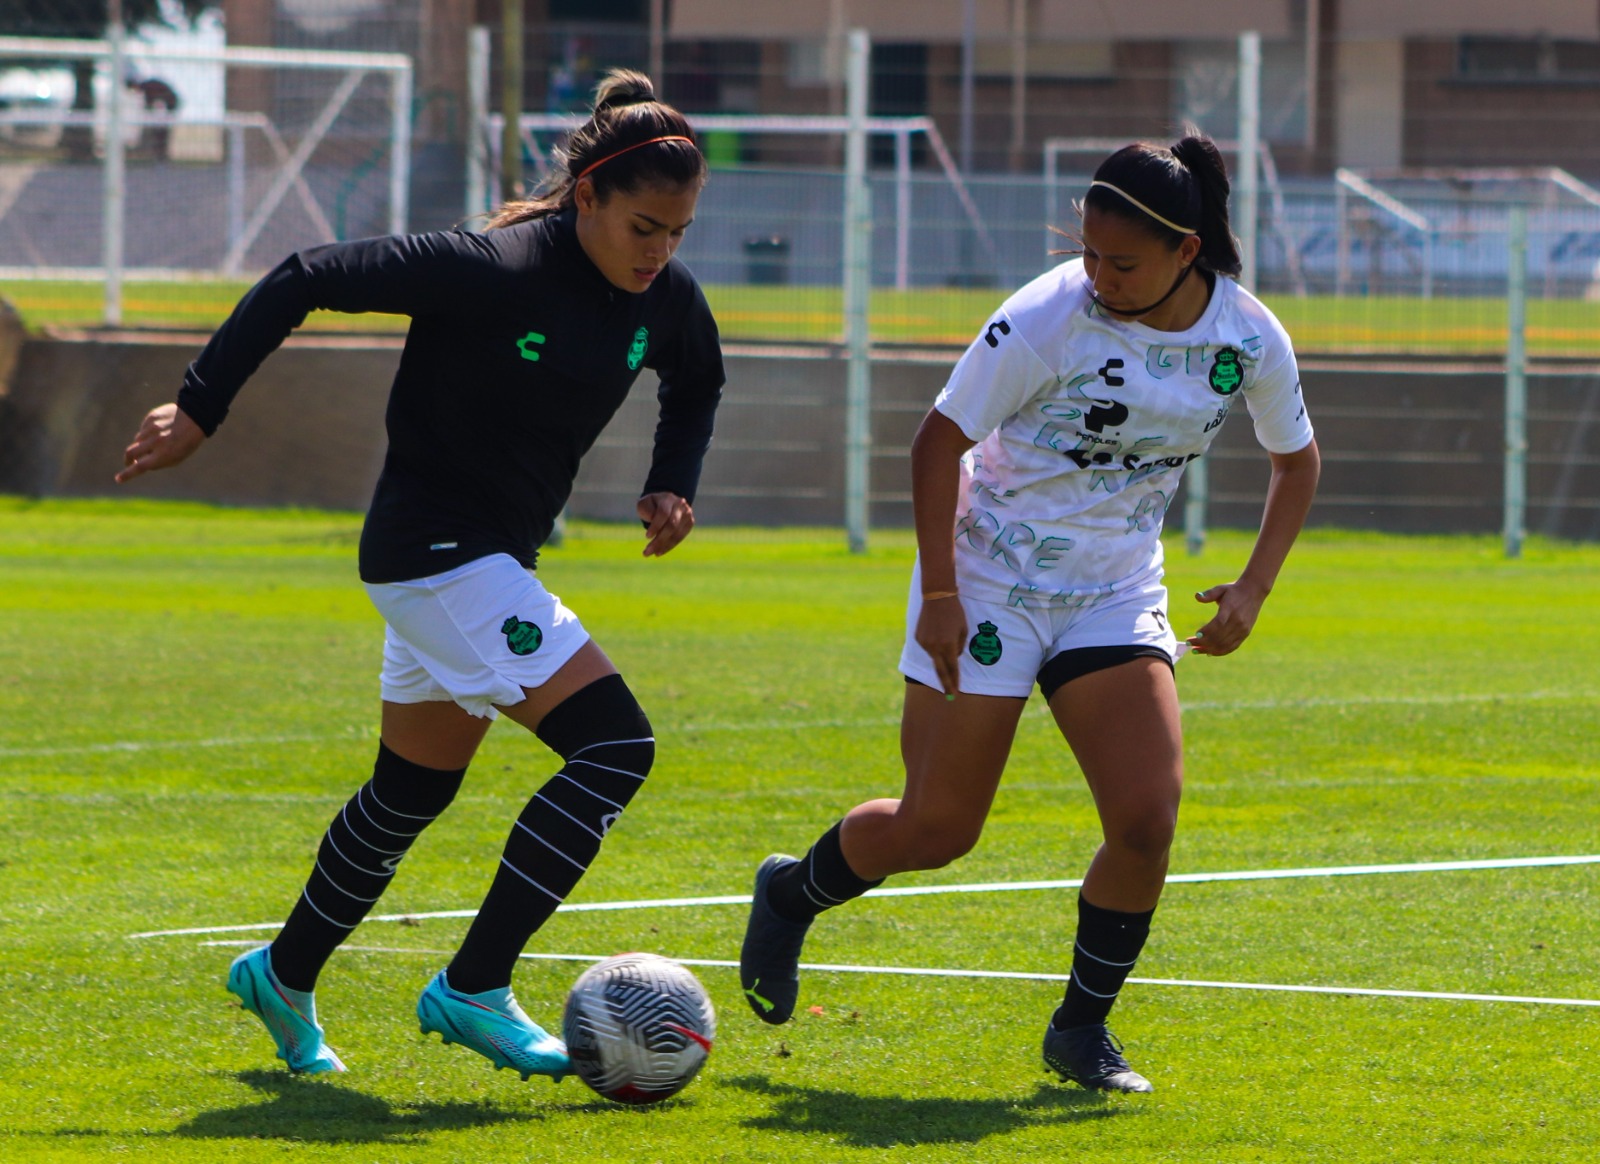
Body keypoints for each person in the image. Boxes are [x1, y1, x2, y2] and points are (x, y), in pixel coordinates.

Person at [115, 70, 724, 1081]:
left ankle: (284, 971)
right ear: (587, 198)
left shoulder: (665, 297)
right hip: (437, 553)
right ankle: (475, 986)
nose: (658, 252)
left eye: (677, 233)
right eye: (643, 227)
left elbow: (697, 376)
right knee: (614, 748)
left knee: (409, 791)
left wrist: (671, 482)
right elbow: (305, 272)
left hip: (474, 566)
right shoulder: (488, 267)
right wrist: (199, 407)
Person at [738, 132, 1320, 1093]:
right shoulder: (1049, 317)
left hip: (1114, 592)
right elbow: (936, 443)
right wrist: (939, 595)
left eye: (1120, 262)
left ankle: (1080, 1032)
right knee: (937, 830)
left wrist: (1254, 588)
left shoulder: (1248, 338)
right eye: (1087, 251)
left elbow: (1295, 460)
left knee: (1146, 820)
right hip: (989, 583)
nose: (1096, 275)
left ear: (1187, 252)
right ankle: (791, 892)